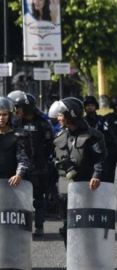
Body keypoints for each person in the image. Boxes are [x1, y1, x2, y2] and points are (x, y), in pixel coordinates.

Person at [49, 97, 106, 246]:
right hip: (64, 189)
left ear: (71, 114)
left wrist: (96, 176)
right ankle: (72, 260)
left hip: (86, 187)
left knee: (86, 224)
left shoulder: (92, 135)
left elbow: (100, 159)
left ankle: (89, 259)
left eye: (61, 115)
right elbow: (52, 158)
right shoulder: (59, 136)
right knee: (68, 226)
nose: (58, 118)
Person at [8, 90, 54, 236]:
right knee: (20, 200)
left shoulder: (43, 123)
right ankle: (22, 228)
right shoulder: (15, 123)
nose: (16, 110)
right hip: (20, 170)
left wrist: (43, 161)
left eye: (19, 107)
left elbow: (50, 144)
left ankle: (39, 227)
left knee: (39, 199)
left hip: (40, 168)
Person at [0, 97, 29, 188]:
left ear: (9, 115)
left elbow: (23, 158)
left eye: (4, 114)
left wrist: (19, 174)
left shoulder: (18, 135)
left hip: (11, 183)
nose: (1, 118)